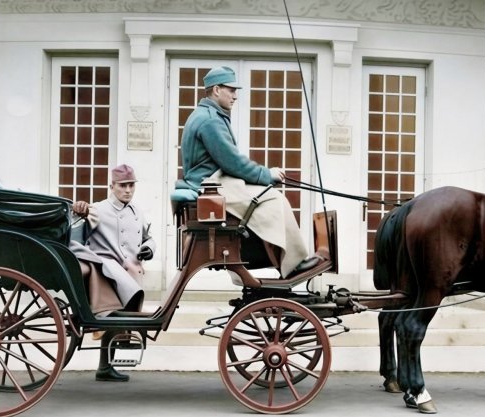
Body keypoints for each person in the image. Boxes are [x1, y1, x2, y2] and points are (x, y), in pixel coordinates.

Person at [179, 66, 324, 279]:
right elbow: (233, 163)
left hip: (211, 183)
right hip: (211, 185)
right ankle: (292, 263)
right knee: (274, 199)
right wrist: (267, 175)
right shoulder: (209, 120)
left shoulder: (207, 115)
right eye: (231, 90)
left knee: (271, 197)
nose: (235, 96)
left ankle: (284, 259)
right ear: (217, 90)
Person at [70, 164, 156, 382]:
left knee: (117, 320)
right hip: (108, 272)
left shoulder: (137, 212)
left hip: (130, 272)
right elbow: (77, 224)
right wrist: (78, 209)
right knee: (112, 316)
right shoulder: (98, 209)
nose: (127, 190)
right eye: (123, 186)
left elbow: (148, 238)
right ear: (112, 186)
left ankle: (105, 366)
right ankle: (106, 365)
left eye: (131, 185)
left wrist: (149, 248)